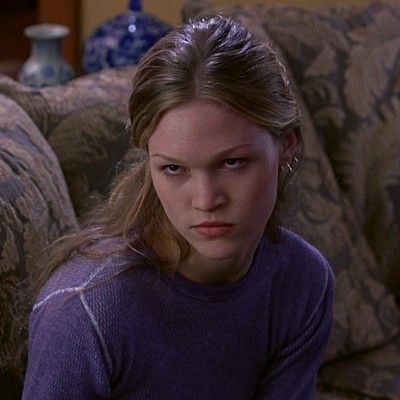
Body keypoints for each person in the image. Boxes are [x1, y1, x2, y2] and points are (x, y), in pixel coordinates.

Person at [21, 15, 335, 399]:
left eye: (232, 163)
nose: (206, 201)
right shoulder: (84, 313)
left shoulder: (302, 283)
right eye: (174, 169)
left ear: (288, 145)